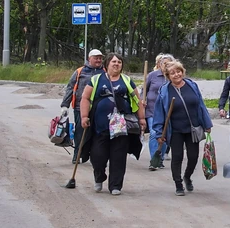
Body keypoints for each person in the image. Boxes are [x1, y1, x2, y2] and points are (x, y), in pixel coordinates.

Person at [79, 53, 145, 196]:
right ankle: (99, 177)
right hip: (100, 127)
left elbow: (138, 101)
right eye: (114, 61)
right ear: (107, 64)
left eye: (119, 62)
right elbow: (85, 98)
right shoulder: (96, 79)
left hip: (121, 127)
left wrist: (141, 119)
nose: (116, 64)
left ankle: (115, 185)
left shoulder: (127, 80)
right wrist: (84, 116)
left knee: (118, 156)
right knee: (97, 156)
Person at [152, 60, 213, 196]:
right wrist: (158, 132)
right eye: (172, 73)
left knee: (193, 157)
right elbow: (159, 113)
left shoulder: (192, 85)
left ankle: (187, 176)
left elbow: (201, 105)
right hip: (175, 130)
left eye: (178, 71)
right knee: (177, 156)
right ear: (168, 76)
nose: (176, 75)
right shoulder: (164, 91)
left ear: (182, 71)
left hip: (193, 128)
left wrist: (207, 123)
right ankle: (178, 184)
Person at [59, 49, 105, 163]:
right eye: (96, 58)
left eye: (100, 58)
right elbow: (70, 88)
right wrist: (65, 105)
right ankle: (77, 154)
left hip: (99, 108)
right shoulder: (80, 72)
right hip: (80, 107)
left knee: (97, 133)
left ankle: (92, 155)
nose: (99, 60)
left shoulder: (105, 72)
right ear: (89, 59)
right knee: (80, 132)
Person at [144, 53, 173, 170]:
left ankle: (159, 158)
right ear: (159, 64)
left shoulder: (173, 76)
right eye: (164, 63)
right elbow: (144, 90)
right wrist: (142, 100)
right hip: (152, 110)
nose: (166, 65)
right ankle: (153, 160)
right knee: (154, 133)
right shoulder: (153, 75)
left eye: (169, 63)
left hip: (168, 111)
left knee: (165, 135)